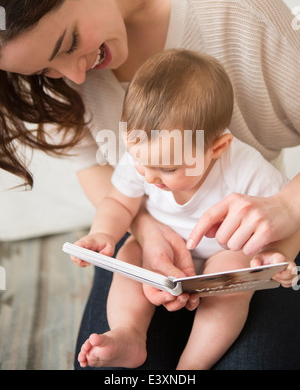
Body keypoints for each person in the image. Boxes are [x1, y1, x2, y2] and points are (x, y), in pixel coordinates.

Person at [0, 0, 299, 369]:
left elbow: (272, 232)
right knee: (120, 296)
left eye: (67, 44)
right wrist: (137, 230)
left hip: (238, 242)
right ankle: (129, 334)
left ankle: (191, 363)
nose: (74, 78)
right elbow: (110, 187)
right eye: (47, 70)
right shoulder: (135, 160)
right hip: (151, 233)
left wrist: (286, 216)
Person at [71, 49, 298, 370]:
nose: (149, 176)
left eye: (167, 169)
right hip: (158, 245)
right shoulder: (145, 159)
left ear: (217, 148)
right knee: (128, 256)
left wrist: (275, 255)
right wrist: (102, 234)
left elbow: (281, 218)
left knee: (232, 286)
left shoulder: (245, 168)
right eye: (141, 162)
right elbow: (118, 202)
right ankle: (129, 333)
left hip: (222, 251)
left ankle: (194, 363)